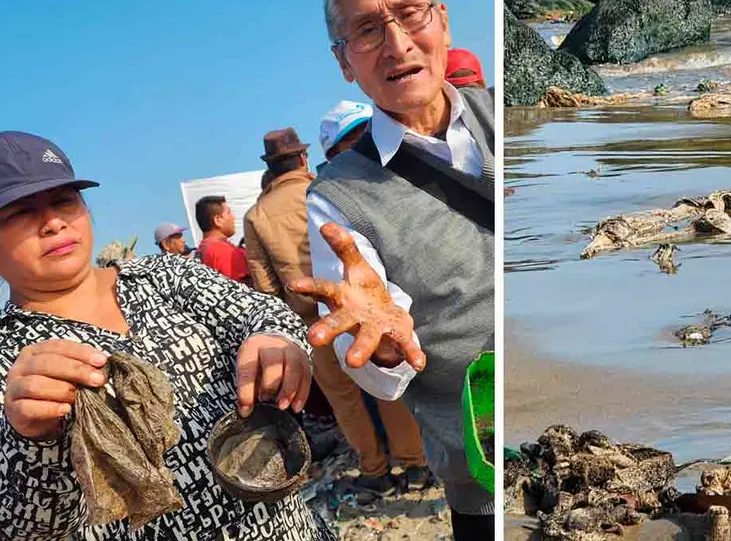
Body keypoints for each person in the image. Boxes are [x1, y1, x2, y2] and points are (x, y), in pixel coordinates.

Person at [0, 131, 330, 540]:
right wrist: (32, 441)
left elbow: (261, 312)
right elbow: (24, 529)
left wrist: (277, 338)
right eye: (19, 212)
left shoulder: (165, 276)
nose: (52, 222)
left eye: (64, 200)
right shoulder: (10, 360)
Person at [293, 0, 496, 538]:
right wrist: (381, 344)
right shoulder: (336, 197)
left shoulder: (505, 114)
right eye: (367, 30)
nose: (397, 42)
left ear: (443, 21)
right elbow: (381, 374)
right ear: (344, 62)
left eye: (411, 15)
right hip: (480, 473)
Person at [243, 126, 429, 503]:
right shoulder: (330, 187)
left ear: (271, 166)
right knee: (388, 390)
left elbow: (265, 288)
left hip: (316, 325)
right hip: (366, 307)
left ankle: (375, 472)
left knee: (346, 401)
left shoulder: (257, 216)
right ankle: (414, 464)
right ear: (302, 158)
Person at [194, 195, 250, 284]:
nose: (233, 217)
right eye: (229, 213)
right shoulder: (222, 249)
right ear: (218, 220)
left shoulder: (203, 249)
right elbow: (240, 289)